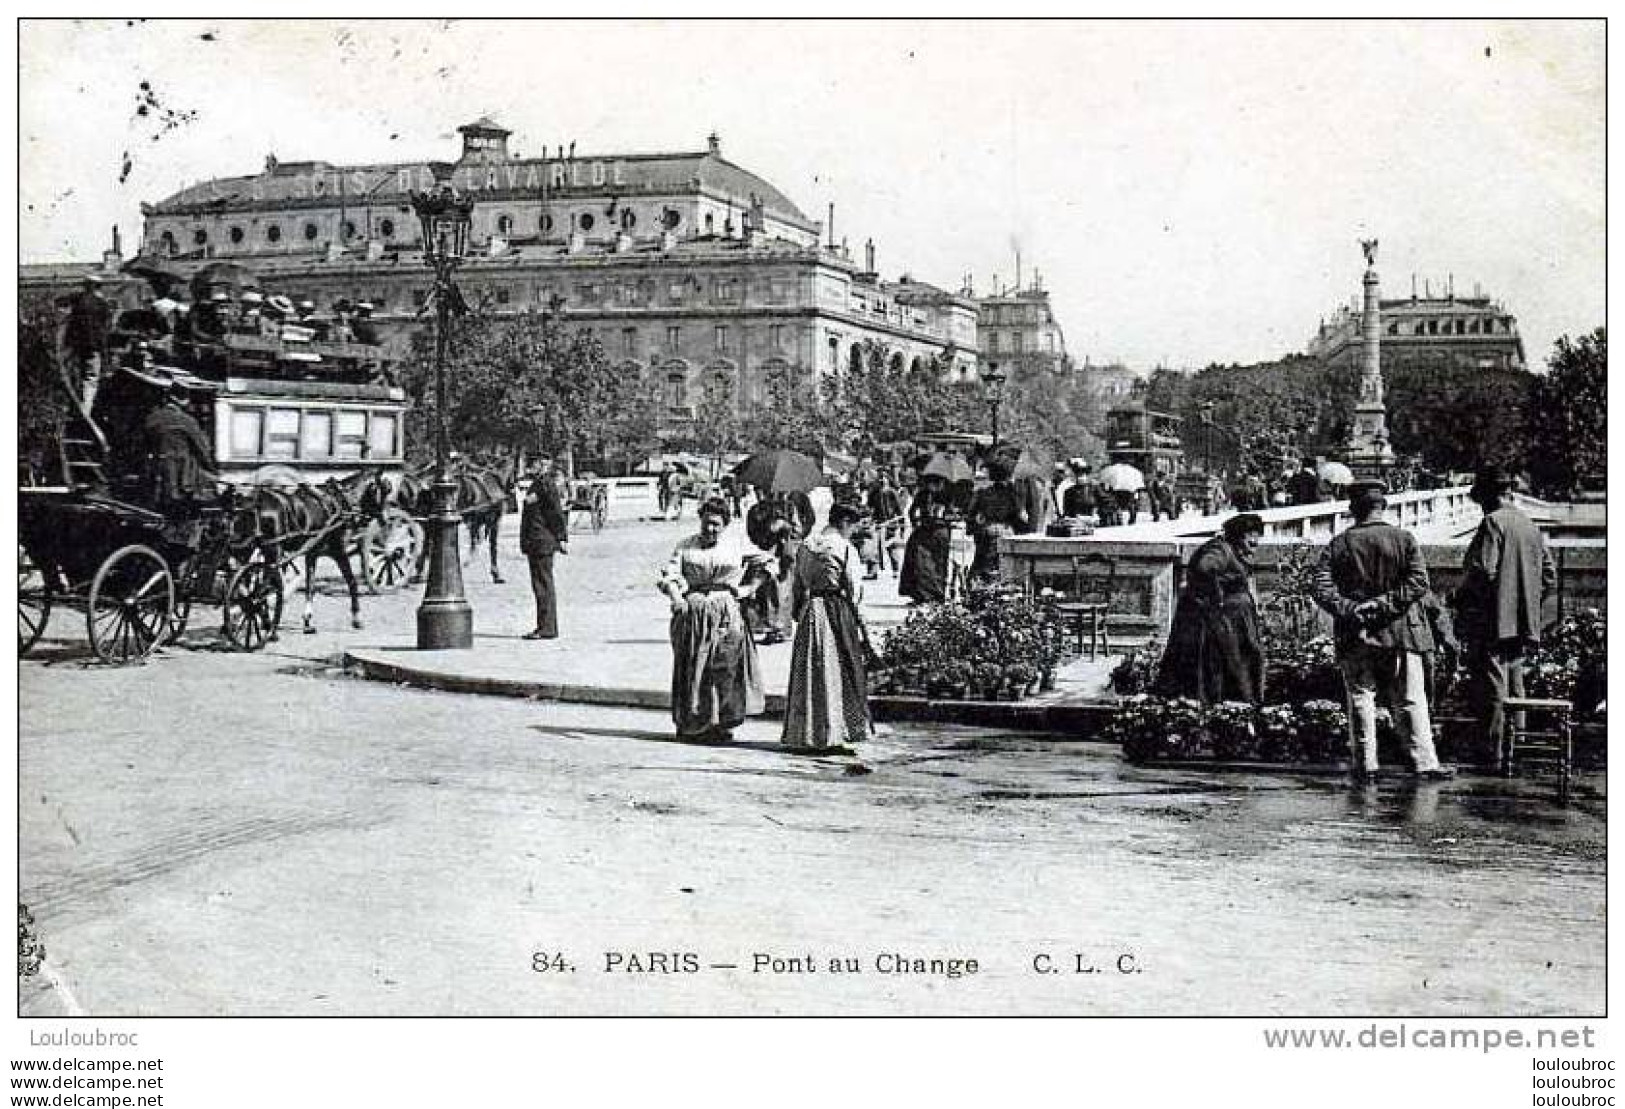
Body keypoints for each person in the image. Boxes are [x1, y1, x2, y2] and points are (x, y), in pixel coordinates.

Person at [1312, 482, 1451, 782]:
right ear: (1383, 507)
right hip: (1401, 631)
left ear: (1353, 509)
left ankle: (1366, 763)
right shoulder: (1404, 539)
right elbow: (1418, 582)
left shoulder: (1339, 544)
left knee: (1361, 697)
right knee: (1410, 697)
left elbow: (1321, 588)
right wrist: (1385, 604)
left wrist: (1352, 609)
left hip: (1356, 632)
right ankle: (1424, 761)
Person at [1455, 466, 1557, 763]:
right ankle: (1517, 748)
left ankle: (1493, 752)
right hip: (1522, 621)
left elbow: (1484, 570)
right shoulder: (1529, 525)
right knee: (1515, 682)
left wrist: (1461, 597)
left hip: (1492, 621)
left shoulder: (1492, 523)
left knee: (1493, 686)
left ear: (1486, 496)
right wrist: (1526, 605)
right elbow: (1549, 576)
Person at [658, 497, 765, 742]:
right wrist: (677, 598)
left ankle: (722, 723)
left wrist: (748, 589)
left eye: (716, 524)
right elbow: (669, 576)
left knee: (725, 667)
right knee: (695, 669)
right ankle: (694, 724)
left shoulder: (736, 545)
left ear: (725, 525)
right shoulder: (685, 546)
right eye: (706, 523)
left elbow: (767, 563)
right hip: (694, 612)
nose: (710, 529)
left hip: (726, 611)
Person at [782, 502, 872, 750]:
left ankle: (807, 732)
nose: (853, 531)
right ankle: (834, 731)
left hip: (811, 610)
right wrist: (860, 622)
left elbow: (797, 586)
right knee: (837, 669)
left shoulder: (806, 546)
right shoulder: (844, 548)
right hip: (835, 608)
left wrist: (799, 613)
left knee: (810, 669)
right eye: (853, 526)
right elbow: (854, 589)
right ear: (844, 522)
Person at [1155, 513, 1266, 704]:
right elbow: (1204, 568)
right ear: (1238, 536)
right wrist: (1217, 596)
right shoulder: (1220, 549)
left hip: (1231, 619)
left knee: (1240, 660)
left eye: (1257, 536)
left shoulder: (1231, 550)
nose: (1255, 542)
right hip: (1219, 620)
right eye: (1251, 536)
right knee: (1221, 664)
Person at [142, 384, 216, 511]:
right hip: (181, 475)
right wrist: (212, 468)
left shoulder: (151, 418)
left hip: (156, 474)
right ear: (185, 401)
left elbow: (143, 445)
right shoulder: (187, 421)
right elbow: (202, 448)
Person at [519, 463, 569, 640]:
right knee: (540, 585)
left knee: (543, 585)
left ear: (541, 465)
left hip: (542, 542)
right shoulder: (538, 483)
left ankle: (547, 629)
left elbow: (555, 512)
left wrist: (561, 537)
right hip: (536, 542)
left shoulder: (545, 484)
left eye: (533, 464)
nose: (528, 468)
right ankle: (545, 627)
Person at [967, 457, 1029, 581]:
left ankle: (978, 586)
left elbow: (971, 514)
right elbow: (1020, 517)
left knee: (983, 563)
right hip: (1006, 531)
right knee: (1005, 566)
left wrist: (975, 527)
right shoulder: (1012, 494)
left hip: (987, 530)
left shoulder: (981, 493)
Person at [898, 473, 953, 603]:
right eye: (932, 483)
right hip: (923, 532)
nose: (934, 486)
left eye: (937, 483)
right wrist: (915, 522)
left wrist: (945, 517)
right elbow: (912, 511)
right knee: (919, 563)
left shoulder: (947, 496)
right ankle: (921, 595)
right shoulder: (922, 495)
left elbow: (952, 514)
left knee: (939, 564)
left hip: (940, 532)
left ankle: (937, 594)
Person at [62, 275, 113, 409]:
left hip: (75, 346)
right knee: (90, 379)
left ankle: (72, 406)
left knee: (75, 374)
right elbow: (105, 329)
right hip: (94, 346)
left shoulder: (77, 301)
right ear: (98, 287)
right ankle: (86, 412)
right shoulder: (102, 304)